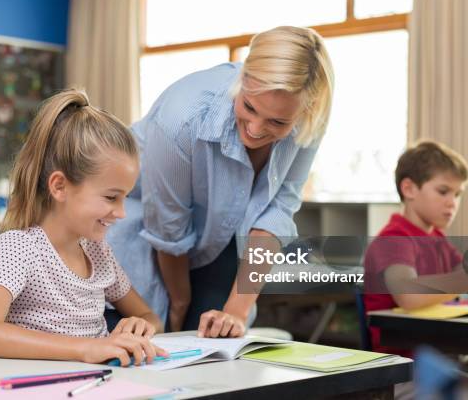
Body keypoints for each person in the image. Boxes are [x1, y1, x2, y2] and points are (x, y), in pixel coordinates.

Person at [106, 26, 334, 337]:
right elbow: (168, 229)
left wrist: (236, 313)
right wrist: (179, 305)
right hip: (145, 220)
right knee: (155, 334)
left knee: (217, 339)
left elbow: (277, 211)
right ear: (243, 80)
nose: (254, 129)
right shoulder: (182, 117)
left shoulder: (308, 118)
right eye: (249, 107)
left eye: (277, 122)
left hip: (220, 229)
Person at [0, 89, 167, 367]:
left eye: (125, 198)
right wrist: (86, 349)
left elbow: (148, 316)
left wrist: (140, 326)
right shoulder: (19, 247)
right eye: (110, 197)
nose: (120, 213)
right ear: (59, 186)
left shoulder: (98, 252)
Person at [363, 140, 468, 354]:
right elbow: (409, 295)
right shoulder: (393, 239)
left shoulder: (438, 238)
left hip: (445, 352)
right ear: (409, 189)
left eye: (457, 194)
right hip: (407, 367)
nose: (452, 203)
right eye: (443, 191)